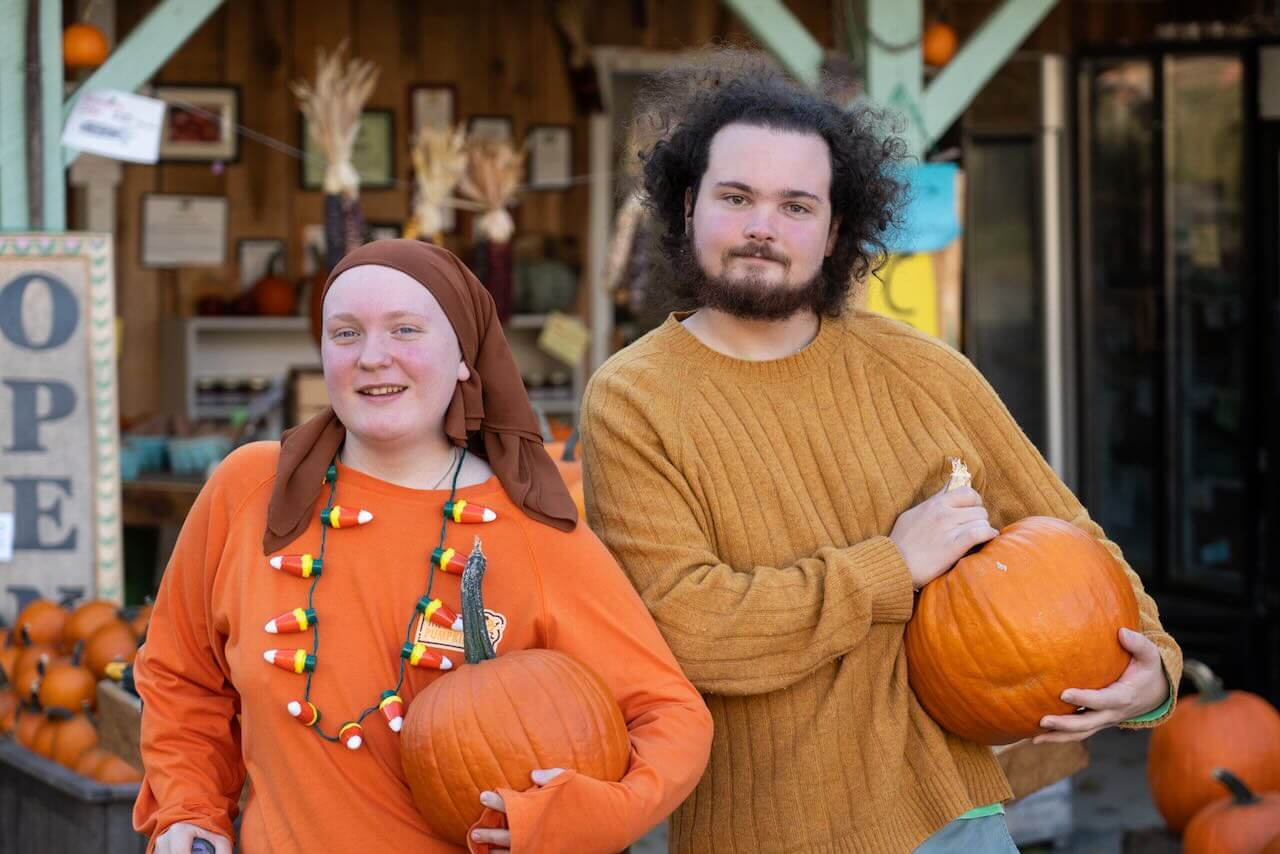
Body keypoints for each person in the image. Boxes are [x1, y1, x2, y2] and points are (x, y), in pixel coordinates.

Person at [579, 60, 1181, 853]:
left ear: (833, 233)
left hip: (952, 822)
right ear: (689, 206)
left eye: (797, 205)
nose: (764, 225)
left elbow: (1065, 532)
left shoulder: (922, 368)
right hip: (769, 830)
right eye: (736, 197)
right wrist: (891, 568)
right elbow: (688, 626)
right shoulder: (633, 399)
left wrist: (1156, 668)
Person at [133, 239, 713, 854]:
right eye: (345, 333)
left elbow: (671, 717)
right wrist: (189, 810)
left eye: (405, 330)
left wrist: (588, 816)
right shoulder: (249, 490)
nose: (373, 358)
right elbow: (183, 676)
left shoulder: (532, 531)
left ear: (465, 355)